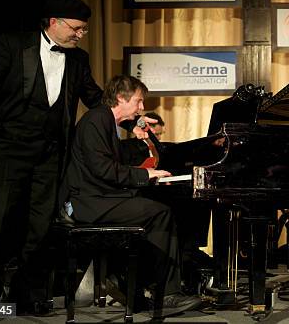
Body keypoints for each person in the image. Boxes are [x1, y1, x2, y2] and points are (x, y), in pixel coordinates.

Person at [0, 0, 103, 312]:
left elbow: (96, 98)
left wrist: (133, 117)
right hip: (7, 150)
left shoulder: (78, 59)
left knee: (41, 229)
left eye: (84, 30)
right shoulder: (13, 44)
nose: (81, 35)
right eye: (77, 28)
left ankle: (25, 296)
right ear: (54, 22)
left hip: (49, 154)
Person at [61, 74, 202, 315]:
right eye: (138, 101)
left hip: (99, 197)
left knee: (156, 207)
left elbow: (112, 168)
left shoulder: (105, 121)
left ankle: (136, 285)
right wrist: (145, 176)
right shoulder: (97, 120)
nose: (141, 107)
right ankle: (165, 295)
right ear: (120, 98)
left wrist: (143, 170)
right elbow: (103, 170)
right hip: (89, 202)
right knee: (160, 213)